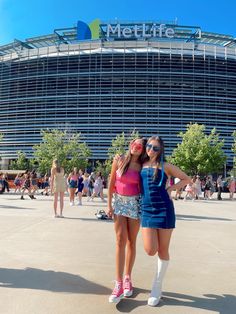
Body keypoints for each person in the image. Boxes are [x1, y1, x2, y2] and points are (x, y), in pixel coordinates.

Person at [140, 136, 191, 307]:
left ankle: (157, 286)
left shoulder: (165, 166)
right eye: (149, 146)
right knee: (150, 249)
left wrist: (171, 188)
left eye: (155, 148)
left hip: (164, 210)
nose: (151, 150)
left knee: (163, 249)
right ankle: (156, 284)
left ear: (160, 150)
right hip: (146, 210)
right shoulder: (141, 164)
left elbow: (186, 179)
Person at [107, 138, 147, 304]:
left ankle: (127, 277)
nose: (135, 147)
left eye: (139, 146)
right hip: (119, 203)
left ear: (142, 150)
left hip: (135, 203)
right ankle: (118, 283)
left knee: (131, 241)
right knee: (119, 240)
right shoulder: (119, 160)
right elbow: (111, 185)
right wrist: (109, 205)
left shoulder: (143, 166)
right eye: (134, 144)